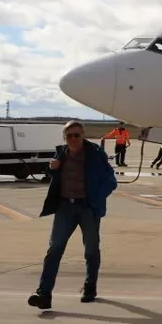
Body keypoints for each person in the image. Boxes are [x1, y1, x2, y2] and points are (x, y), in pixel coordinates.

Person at [28, 121, 118, 310]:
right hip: (65, 208)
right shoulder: (61, 153)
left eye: (77, 135)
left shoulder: (95, 153)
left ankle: (90, 286)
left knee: (91, 250)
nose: (74, 139)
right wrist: (51, 168)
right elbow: (53, 176)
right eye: (70, 136)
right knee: (54, 250)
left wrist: (95, 201)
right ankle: (44, 293)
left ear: (83, 135)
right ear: (65, 138)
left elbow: (111, 180)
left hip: (87, 208)